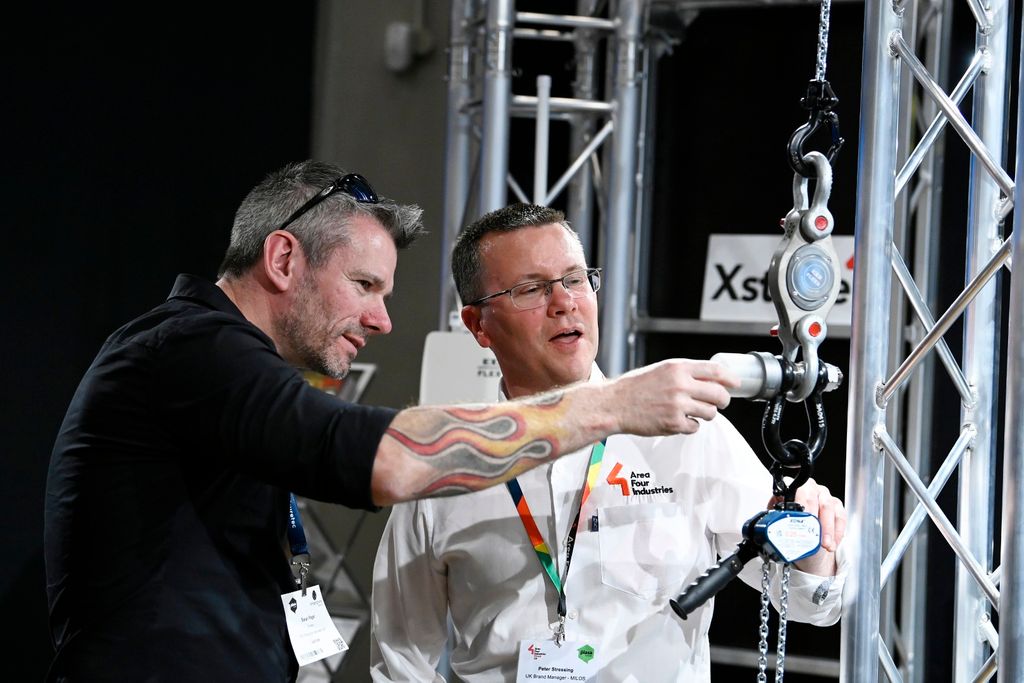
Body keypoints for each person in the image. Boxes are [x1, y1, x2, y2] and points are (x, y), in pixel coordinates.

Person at [44, 164, 745, 682]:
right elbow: (388, 460)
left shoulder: (226, 375)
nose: (382, 319)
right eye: (365, 286)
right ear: (284, 258)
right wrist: (616, 406)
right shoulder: (190, 350)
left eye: (574, 279)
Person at [369, 204, 848, 682]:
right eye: (532, 289)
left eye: (576, 279)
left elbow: (813, 601)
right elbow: (399, 660)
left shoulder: (688, 433)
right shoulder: (449, 464)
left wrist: (810, 537)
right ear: (478, 325)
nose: (565, 302)